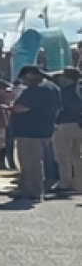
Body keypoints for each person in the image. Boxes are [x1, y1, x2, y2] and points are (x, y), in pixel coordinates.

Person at [8, 65, 61, 201]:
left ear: (31, 75)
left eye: (24, 78)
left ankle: (34, 191)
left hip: (30, 131)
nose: (24, 81)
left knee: (31, 163)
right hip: (44, 130)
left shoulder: (36, 90)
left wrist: (10, 108)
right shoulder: (53, 88)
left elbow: (23, 107)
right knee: (32, 161)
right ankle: (25, 189)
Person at [54, 66, 82, 194]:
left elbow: (59, 108)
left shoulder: (64, 92)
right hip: (78, 124)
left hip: (64, 124)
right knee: (76, 156)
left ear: (69, 78)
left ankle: (65, 182)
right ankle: (78, 183)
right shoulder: (79, 90)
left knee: (63, 155)